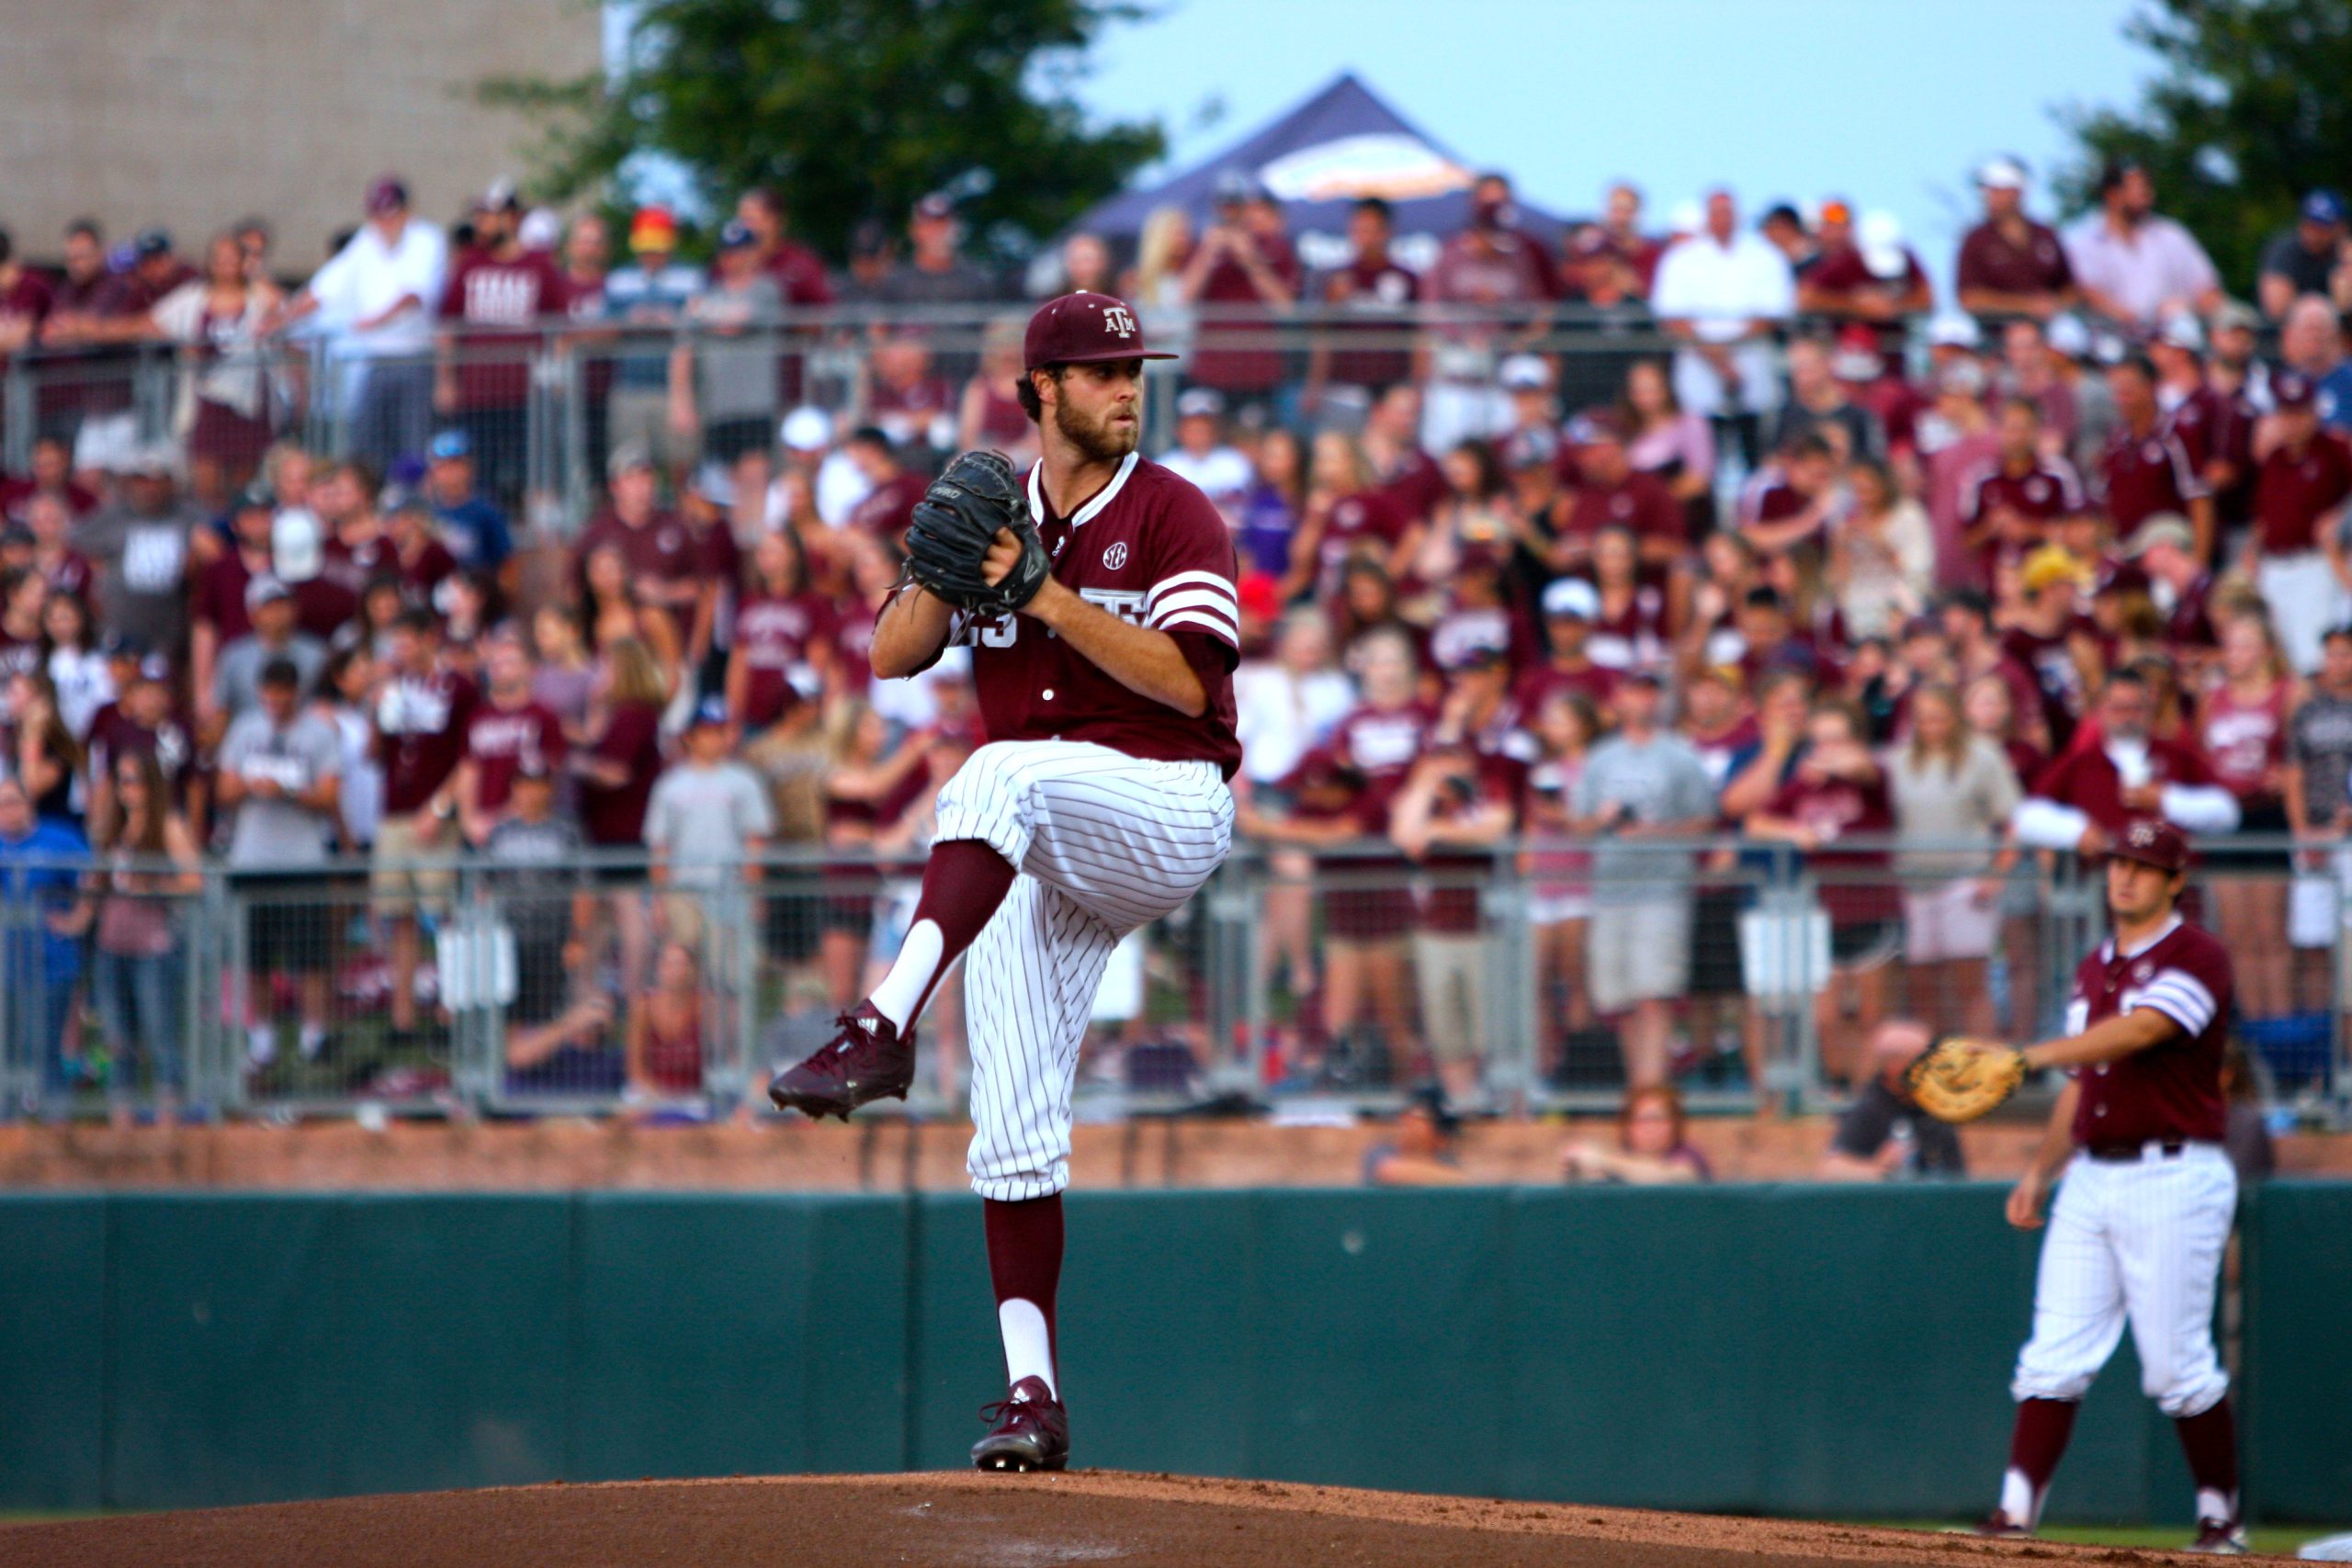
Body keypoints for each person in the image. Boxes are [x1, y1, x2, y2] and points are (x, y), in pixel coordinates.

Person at [765, 290, 1240, 1474]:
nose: (1127, 389)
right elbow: (888, 655)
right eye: (1098, 373)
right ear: (1040, 393)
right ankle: (1034, 1395)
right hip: (1043, 842)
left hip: (1164, 803)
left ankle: (878, 1026)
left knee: (991, 775)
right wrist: (945, 564)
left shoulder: (1175, 512)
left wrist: (1037, 596)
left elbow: (1188, 686)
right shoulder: (995, 509)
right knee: (1013, 1126)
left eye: (1134, 371)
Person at [1976, 818, 2246, 1553]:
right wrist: (2040, 1168)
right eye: (2117, 861)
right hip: (2093, 1174)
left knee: (2175, 1365)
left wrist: (2026, 1054)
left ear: (2175, 880)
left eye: (2143, 864)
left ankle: (2220, 1521)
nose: (2124, 874)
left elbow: (2139, 1033)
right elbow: (2085, 1077)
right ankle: (2014, 1515)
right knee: (2052, 1353)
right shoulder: (2095, 962)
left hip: (2175, 1172)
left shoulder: (2198, 951)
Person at [1568, 672, 1717, 1088]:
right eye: (1635, 691)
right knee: (1622, 1001)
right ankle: (1641, 1090)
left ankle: (1652, 1092)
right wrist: (1601, 819)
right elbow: (1578, 824)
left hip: (1663, 891)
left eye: (1651, 691)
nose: (1643, 700)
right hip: (1611, 891)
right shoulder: (1600, 757)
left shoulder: (1681, 756)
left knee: (1655, 995)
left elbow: (1705, 821)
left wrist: (1656, 832)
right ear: (1618, 698)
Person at [268, 176, 447, 470]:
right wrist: (282, 317)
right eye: (378, 216)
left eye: (391, 215)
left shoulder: (427, 238)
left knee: (414, 441)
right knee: (367, 440)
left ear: (406, 211)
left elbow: (415, 294)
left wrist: (373, 321)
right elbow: (326, 287)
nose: (384, 223)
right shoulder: (367, 240)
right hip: (376, 359)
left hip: (415, 358)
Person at [218, 657, 342, 1066]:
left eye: (283, 693)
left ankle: (314, 1037)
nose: (275, 701)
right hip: (251, 860)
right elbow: (224, 789)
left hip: (302, 861)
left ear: (296, 692)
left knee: (310, 957)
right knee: (255, 958)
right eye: (268, 693)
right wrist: (252, 787)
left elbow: (328, 798)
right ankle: (262, 1039)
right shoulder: (244, 730)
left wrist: (287, 791)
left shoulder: (319, 734)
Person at [1887, 683, 2021, 1038]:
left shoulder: (1983, 755)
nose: (1931, 726)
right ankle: (1932, 1074)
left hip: (1966, 881)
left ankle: (1979, 1074)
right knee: (1922, 987)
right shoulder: (1899, 759)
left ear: (1955, 717)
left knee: (1970, 986)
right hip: (1915, 885)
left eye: (1938, 718)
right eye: (1923, 719)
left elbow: (2014, 820)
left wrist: (1997, 872)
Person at [372, 607, 475, 1037]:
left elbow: (470, 754)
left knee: (444, 911)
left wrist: (441, 806)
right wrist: (376, 709)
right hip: (395, 810)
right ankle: (403, 1017)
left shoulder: (458, 687)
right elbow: (376, 752)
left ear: (429, 638)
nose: (400, 649)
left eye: (407, 640)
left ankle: (450, 1007)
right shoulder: (395, 686)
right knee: (399, 914)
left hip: (435, 812)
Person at [434, 183, 570, 506]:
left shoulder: (539, 266)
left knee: (532, 476)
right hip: (478, 395)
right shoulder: (470, 265)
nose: (481, 224)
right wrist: (445, 381)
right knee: (481, 479)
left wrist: (557, 376)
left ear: (511, 218)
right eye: (479, 216)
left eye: (488, 216)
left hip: (528, 398)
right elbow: (448, 327)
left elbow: (561, 328)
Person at [2012, 668, 2241, 857]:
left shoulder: (2177, 757)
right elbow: (2027, 816)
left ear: (2149, 709)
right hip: (2099, 894)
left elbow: (2226, 812)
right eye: (2119, 709)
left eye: (2136, 708)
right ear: (2102, 710)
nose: (2128, 717)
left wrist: (2166, 800)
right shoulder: (2080, 763)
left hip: (2173, 894)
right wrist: (2075, 830)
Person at [85, 749, 202, 1120]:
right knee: (117, 1036)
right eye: (121, 780)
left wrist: (153, 885)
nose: (126, 789)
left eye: (133, 780)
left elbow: (194, 881)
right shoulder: (114, 827)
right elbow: (99, 883)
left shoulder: (169, 825)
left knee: (159, 1033)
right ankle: (123, 1117)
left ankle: (168, 1118)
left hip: (153, 944)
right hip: (111, 942)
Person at [1649, 187, 1795, 469]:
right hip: (1698, 381)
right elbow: (1672, 317)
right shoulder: (1681, 259)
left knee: (1756, 459)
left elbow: (1774, 314)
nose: (1722, 219)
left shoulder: (1764, 257)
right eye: (1716, 212)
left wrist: (1726, 351)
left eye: (1727, 212)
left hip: (1753, 375)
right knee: (1703, 461)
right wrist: (1717, 358)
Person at [2197, 615, 2292, 1023]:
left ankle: (2282, 1028)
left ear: (2266, 651)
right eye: (2230, 646)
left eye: (2244, 645)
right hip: (2225, 817)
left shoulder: (2287, 694)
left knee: (2270, 934)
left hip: (2266, 814)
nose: (2234, 655)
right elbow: (2201, 757)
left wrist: (2285, 775)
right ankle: (2254, 1029)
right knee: (2237, 936)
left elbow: (2299, 753)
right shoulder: (2212, 699)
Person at [152, 231, 283, 508]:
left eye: (231, 259)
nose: (225, 266)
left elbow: (281, 316)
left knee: (242, 485)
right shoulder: (193, 298)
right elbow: (156, 322)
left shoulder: (260, 296)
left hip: (247, 402)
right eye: (219, 259)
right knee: (206, 485)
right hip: (206, 400)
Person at [645, 695, 773, 950]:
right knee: (685, 964)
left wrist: (754, 893)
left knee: (729, 971)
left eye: (720, 731)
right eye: (708, 732)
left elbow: (755, 843)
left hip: (731, 890)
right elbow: (660, 846)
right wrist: (659, 899)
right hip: (682, 890)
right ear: (690, 737)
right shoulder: (670, 786)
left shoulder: (745, 781)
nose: (715, 739)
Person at [0, 773, 91, 1104]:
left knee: (48, 1045)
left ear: (29, 803)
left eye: (13, 801)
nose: (7, 811)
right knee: (7, 1049)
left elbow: (91, 880)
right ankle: (8, 1126)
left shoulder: (59, 839)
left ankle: (56, 1125)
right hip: (7, 966)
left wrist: (78, 920)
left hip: (53, 963)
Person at [2256, 370, 2352, 672]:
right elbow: (2264, 513)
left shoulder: (2334, 450)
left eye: (2299, 413)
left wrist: (2344, 517)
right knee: (2276, 655)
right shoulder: (2274, 457)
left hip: (2314, 563)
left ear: (2314, 412)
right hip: (2273, 565)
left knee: (2311, 656)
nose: (2292, 421)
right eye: (2286, 413)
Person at [2063, 161, 2223, 329]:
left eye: (2147, 188)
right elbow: (2086, 291)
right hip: (2110, 337)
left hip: (2170, 338)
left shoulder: (2171, 236)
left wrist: (2190, 309)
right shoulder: (2085, 243)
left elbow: (2208, 289)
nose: (2147, 196)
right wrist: (2133, 320)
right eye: (2138, 189)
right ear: (2112, 195)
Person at [1819, 1020, 1965, 1179]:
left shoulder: (1936, 1111)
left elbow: (1958, 1176)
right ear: (1895, 1067)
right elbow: (1830, 1169)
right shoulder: (1871, 1109)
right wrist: (1877, 1170)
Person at [1955, 158, 2078, 322]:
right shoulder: (1976, 240)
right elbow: (1969, 298)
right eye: (1989, 191)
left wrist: (2056, 304)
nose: (1990, 198)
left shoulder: (2045, 236)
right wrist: (2026, 306)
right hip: (1995, 333)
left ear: (2016, 192)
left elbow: (2070, 287)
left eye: (1997, 191)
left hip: (2049, 329)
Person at [1561, 1084, 1710, 1183]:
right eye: (1643, 1120)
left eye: (1658, 1119)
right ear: (1627, 1127)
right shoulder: (1620, 1155)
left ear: (1675, 1124)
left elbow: (1675, 1176)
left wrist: (1604, 1161)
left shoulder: (1688, 1155)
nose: (1651, 1128)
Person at [2256, 189, 2346, 322]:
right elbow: (2277, 309)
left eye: (2322, 229)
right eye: (2309, 225)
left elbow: (2345, 306)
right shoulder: (2284, 249)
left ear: (2340, 229)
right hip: (2284, 333)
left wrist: (2346, 264)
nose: (2313, 235)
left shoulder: (2345, 252)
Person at [1362, 1084, 1465, 1187]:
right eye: (1417, 1118)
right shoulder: (1382, 1150)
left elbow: (1462, 1182)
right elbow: (1388, 1171)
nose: (1408, 1121)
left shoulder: (1444, 1159)